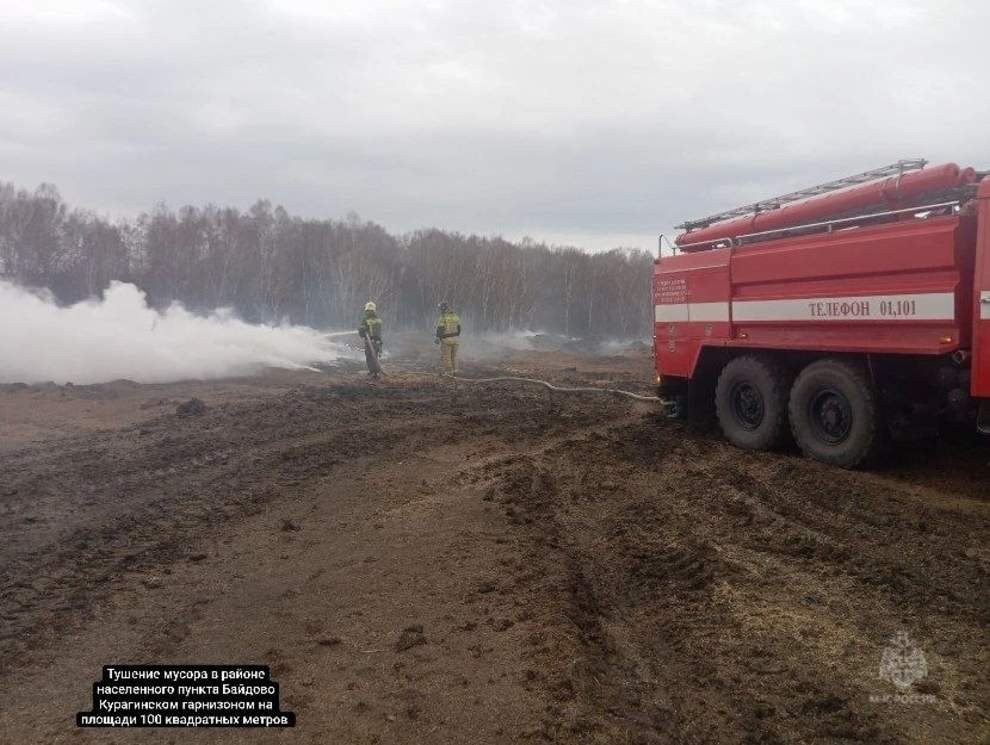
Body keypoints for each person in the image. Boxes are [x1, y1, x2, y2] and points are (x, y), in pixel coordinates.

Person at [434, 301, 461, 375]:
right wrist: (455, 336)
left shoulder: (443, 317)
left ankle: (449, 373)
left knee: (446, 357)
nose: (440, 310)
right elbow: (459, 328)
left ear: (442, 308)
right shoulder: (455, 315)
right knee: (454, 356)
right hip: (456, 339)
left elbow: (440, 329)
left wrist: (438, 338)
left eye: (440, 308)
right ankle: (455, 371)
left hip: (446, 340)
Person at [358, 301, 383, 378]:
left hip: (369, 342)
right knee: (375, 356)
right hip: (378, 341)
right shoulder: (378, 319)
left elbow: (362, 330)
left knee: (369, 357)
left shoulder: (366, 319)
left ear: (367, 310)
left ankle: (372, 372)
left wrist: (361, 330)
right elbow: (378, 331)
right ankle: (376, 372)